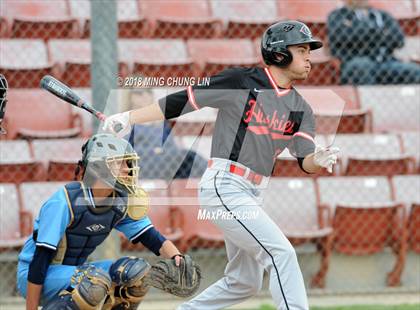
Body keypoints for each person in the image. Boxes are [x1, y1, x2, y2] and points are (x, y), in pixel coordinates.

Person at [103, 20, 339, 310]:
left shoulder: (302, 108)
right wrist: (128, 118)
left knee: (244, 281)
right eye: (301, 49)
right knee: (281, 254)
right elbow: (184, 100)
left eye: (309, 51)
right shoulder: (242, 81)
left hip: (253, 193)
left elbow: (305, 161)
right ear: (279, 53)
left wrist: (319, 158)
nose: (309, 57)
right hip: (225, 185)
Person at [16, 133, 200, 310]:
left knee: (137, 273)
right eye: (120, 163)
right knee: (95, 281)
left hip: (75, 271)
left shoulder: (119, 201)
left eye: (128, 163)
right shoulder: (64, 202)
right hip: (36, 275)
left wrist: (177, 258)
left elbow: (150, 236)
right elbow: (40, 261)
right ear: (99, 168)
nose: (128, 169)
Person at [121, 88, 207, 180]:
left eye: (148, 91)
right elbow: (125, 149)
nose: (145, 95)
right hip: (140, 160)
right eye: (139, 92)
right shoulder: (124, 120)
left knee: (190, 156)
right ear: (131, 96)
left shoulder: (160, 120)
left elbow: (171, 146)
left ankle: (211, 178)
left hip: (164, 160)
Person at [328, 0, 420, 85]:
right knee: (362, 66)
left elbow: (399, 40)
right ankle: (369, 102)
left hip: (385, 62)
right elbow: (340, 37)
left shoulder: (382, 15)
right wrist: (381, 33)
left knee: (414, 70)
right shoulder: (338, 15)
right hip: (354, 61)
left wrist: (358, 31)